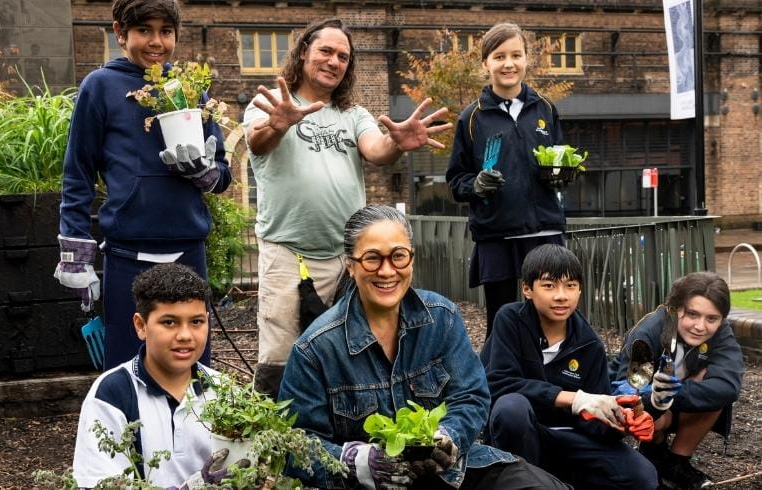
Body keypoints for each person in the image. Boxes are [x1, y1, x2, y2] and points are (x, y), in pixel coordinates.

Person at [278, 205, 570, 490]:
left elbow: (471, 396)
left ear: (411, 260)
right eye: (372, 259)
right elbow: (295, 444)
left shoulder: (441, 317)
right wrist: (357, 461)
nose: (387, 270)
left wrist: (448, 436)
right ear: (351, 266)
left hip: (451, 473)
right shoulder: (315, 348)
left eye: (398, 256)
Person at [243, 18, 451, 397]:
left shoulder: (352, 114)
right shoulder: (272, 105)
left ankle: (341, 436)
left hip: (347, 259)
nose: (334, 61)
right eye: (326, 51)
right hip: (287, 254)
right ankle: (273, 446)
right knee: (280, 355)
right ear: (304, 51)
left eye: (343, 56)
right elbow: (258, 143)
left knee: (349, 349)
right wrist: (278, 124)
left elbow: (377, 150)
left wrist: (398, 142)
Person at [54, 0, 231, 369]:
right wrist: (76, 255)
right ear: (120, 32)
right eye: (144, 30)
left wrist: (206, 173)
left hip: (188, 248)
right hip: (127, 253)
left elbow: (222, 175)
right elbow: (78, 172)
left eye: (166, 31)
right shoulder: (100, 86)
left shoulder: (190, 88)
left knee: (192, 364)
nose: (156, 41)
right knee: (127, 366)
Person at [481, 244, 658, 490]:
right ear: (527, 289)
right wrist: (575, 399)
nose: (561, 295)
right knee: (512, 408)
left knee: (643, 477)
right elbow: (498, 383)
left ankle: (554, 480)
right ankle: (523, 482)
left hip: (566, 439)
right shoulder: (510, 320)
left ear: (580, 290)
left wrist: (621, 422)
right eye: (549, 286)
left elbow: (593, 422)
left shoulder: (590, 345)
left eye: (570, 286)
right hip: (518, 436)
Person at [446, 22, 566, 338]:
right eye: (499, 57)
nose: (508, 64)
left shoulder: (546, 108)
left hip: (544, 231)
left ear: (527, 59)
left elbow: (558, 160)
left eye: (516, 55)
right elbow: (456, 180)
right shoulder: (472, 117)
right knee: (502, 323)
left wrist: (560, 175)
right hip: (497, 235)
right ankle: (500, 381)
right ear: (486, 63)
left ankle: (551, 382)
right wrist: (475, 185)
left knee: (550, 320)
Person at [72, 263, 241, 488]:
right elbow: (99, 483)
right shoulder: (113, 394)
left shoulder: (225, 390)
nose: (185, 335)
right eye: (169, 322)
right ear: (141, 326)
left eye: (196, 322)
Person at [609, 272, 744, 489]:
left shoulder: (721, 332)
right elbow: (628, 393)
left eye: (712, 318)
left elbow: (728, 387)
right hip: (639, 406)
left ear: (721, 319)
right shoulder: (649, 331)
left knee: (714, 382)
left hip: (676, 400)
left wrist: (672, 394)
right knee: (643, 404)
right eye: (692, 314)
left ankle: (677, 462)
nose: (701, 326)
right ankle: (654, 450)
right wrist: (656, 399)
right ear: (676, 308)